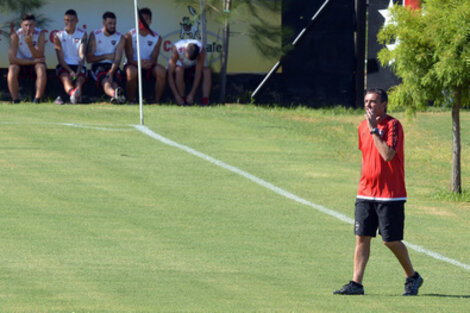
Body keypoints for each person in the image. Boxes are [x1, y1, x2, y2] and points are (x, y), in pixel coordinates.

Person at [334, 88, 423, 296]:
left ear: (384, 105)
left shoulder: (393, 125)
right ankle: (356, 283)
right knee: (362, 237)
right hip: (365, 192)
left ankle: (412, 276)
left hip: (390, 194)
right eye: (366, 101)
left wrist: (375, 130)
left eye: (373, 102)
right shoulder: (361, 127)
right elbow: (367, 157)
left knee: (390, 240)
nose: (368, 105)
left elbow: (388, 155)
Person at [124, 7, 166, 104]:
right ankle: (131, 100)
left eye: (145, 19)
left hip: (148, 66)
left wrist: (148, 64)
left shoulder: (157, 37)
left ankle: (156, 101)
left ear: (150, 21)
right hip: (133, 64)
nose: (142, 22)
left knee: (161, 71)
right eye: (140, 19)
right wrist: (138, 63)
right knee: (131, 72)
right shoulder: (130, 35)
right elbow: (129, 57)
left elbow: (154, 58)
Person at [86, 11, 126, 104]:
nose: (112, 26)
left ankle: (117, 96)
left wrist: (111, 72)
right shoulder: (95, 35)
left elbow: (117, 59)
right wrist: (105, 56)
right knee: (106, 81)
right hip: (98, 65)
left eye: (114, 23)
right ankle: (115, 95)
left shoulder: (120, 37)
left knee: (114, 82)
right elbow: (89, 59)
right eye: (110, 23)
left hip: (112, 65)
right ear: (103, 23)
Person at [7, 13, 47, 103]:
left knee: (41, 67)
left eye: (31, 25)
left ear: (35, 25)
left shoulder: (40, 33)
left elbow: (40, 56)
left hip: (35, 63)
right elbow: (12, 59)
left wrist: (30, 44)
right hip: (21, 63)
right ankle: (15, 100)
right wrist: (33, 61)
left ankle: (37, 99)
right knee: (12, 68)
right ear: (21, 25)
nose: (28, 28)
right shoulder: (16, 34)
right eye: (26, 25)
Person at [54, 9, 87, 104]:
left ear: (77, 21)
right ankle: (73, 94)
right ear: (64, 21)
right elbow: (60, 59)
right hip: (65, 65)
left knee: (79, 81)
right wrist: (70, 71)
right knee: (65, 78)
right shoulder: (58, 36)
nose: (69, 23)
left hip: (78, 65)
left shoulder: (82, 34)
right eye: (67, 20)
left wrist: (78, 70)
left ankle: (75, 96)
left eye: (72, 20)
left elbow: (82, 54)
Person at [168, 39, 211, 106]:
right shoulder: (176, 49)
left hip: (193, 67)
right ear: (185, 51)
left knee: (207, 71)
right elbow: (170, 74)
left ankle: (205, 100)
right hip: (181, 66)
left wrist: (192, 94)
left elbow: (198, 73)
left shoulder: (201, 50)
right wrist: (176, 96)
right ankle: (182, 99)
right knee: (179, 70)